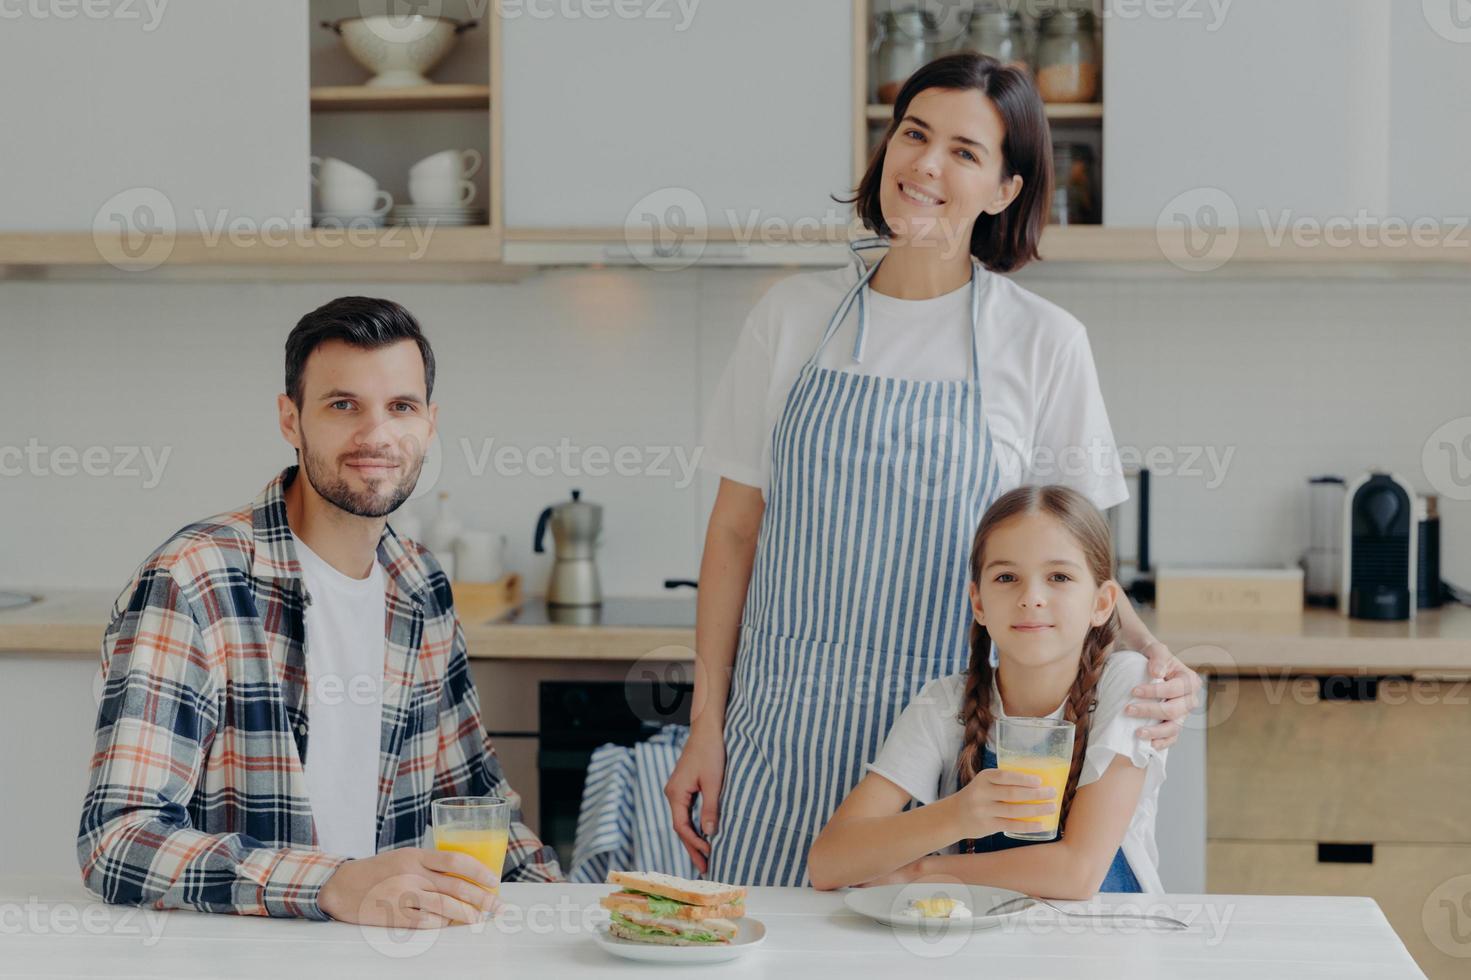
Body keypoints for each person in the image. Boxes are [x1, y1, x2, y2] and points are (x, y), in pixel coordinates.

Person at [666, 52, 1201, 887]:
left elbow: (1076, 561)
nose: (924, 164)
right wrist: (705, 725)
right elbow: (734, 533)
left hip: (948, 739)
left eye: (964, 150)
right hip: (781, 725)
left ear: (1004, 190)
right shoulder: (792, 316)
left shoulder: (1042, 341)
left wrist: (1153, 658)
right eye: (913, 134)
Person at [77, 297, 560, 928]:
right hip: (239, 957)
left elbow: (474, 799)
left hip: (402, 946)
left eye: (401, 407)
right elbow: (118, 841)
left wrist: (564, 907)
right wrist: (331, 883)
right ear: (289, 418)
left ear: (430, 423)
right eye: (343, 405)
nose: (376, 435)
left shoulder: (421, 584)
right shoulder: (195, 578)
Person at [808, 485, 1166, 896]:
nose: (1031, 597)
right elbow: (828, 863)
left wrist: (919, 872)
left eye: (1059, 577)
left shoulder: (1129, 683)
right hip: (978, 951)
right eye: (1006, 577)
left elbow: (1078, 873)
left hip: (1100, 946)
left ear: (1102, 603)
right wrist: (958, 815)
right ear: (978, 602)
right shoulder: (944, 704)